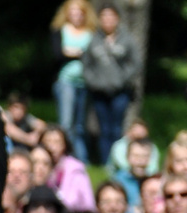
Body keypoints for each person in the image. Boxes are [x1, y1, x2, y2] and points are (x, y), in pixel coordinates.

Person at [80, 2, 137, 165]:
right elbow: (86, 64)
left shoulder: (126, 39)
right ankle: (106, 162)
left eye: (111, 16)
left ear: (117, 18)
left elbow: (135, 63)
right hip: (99, 92)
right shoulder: (94, 39)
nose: (108, 20)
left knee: (116, 128)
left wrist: (122, 79)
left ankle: (118, 161)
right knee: (103, 129)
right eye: (104, 16)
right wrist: (93, 82)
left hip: (120, 92)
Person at [50, 0, 94, 163]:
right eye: (73, 11)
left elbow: (92, 56)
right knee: (66, 123)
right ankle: (65, 156)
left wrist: (70, 52)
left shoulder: (90, 32)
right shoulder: (60, 30)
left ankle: (81, 159)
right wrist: (78, 53)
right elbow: (57, 55)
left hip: (84, 83)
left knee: (80, 126)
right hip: (66, 81)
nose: (76, 15)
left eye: (79, 11)